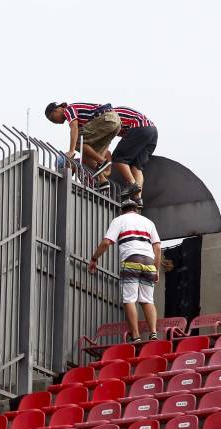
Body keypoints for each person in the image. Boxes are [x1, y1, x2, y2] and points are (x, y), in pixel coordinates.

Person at [89, 198, 162, 341]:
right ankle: (153, 333)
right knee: (147, 300)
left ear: (122, 210)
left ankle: (136, 336)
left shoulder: (119, 220)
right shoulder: (149, 222)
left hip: (131, 260)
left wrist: (94, 258)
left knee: (129, 300)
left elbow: (106, 242)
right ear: (136, 209)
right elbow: (157, 247)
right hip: (149, 262)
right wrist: (156, 269)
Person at [43, 102, 121, 175]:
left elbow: (74, 128)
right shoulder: (82, 121)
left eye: (53, 118)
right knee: (88, 156)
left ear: (56, 110)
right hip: (116, 124)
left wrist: (71, 150)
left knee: (77, 140)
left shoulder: (68, 109)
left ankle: (102, 161)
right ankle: (103, 181)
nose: (54, 122)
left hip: (107, 117)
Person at [109, 106, 157, 199]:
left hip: (140, 127)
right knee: (136, 167)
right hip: (152, 131)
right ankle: (137, 199)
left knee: (119, 158)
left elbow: (106, 141)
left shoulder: (107, 116)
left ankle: (132, 185)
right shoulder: (118, 117)